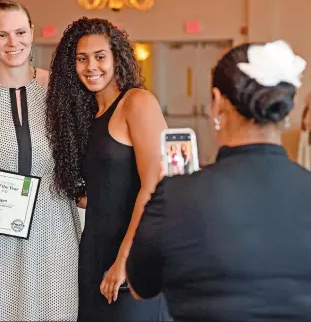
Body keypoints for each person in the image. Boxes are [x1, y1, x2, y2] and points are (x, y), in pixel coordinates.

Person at [127, 40, 311, 321]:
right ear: (285, 110)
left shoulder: (177, 196)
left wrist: (165, 195)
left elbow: (141, 285)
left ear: (217, 102)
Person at [0, 0, 81, 321]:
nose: (13, 43)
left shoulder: (59, 89)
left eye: (20, 32)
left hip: (55, 230)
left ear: (32, 33)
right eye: (2, 35)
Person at [45, 17, 171, 321]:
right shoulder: (87, 116)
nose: (91, 67)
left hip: (132, 254)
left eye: (100, 57)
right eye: (81, 59)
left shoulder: (136, 103)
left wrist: (124, 260)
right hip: (93, 254)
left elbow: (155, 185)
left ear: (117, 58)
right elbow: (104, 187)